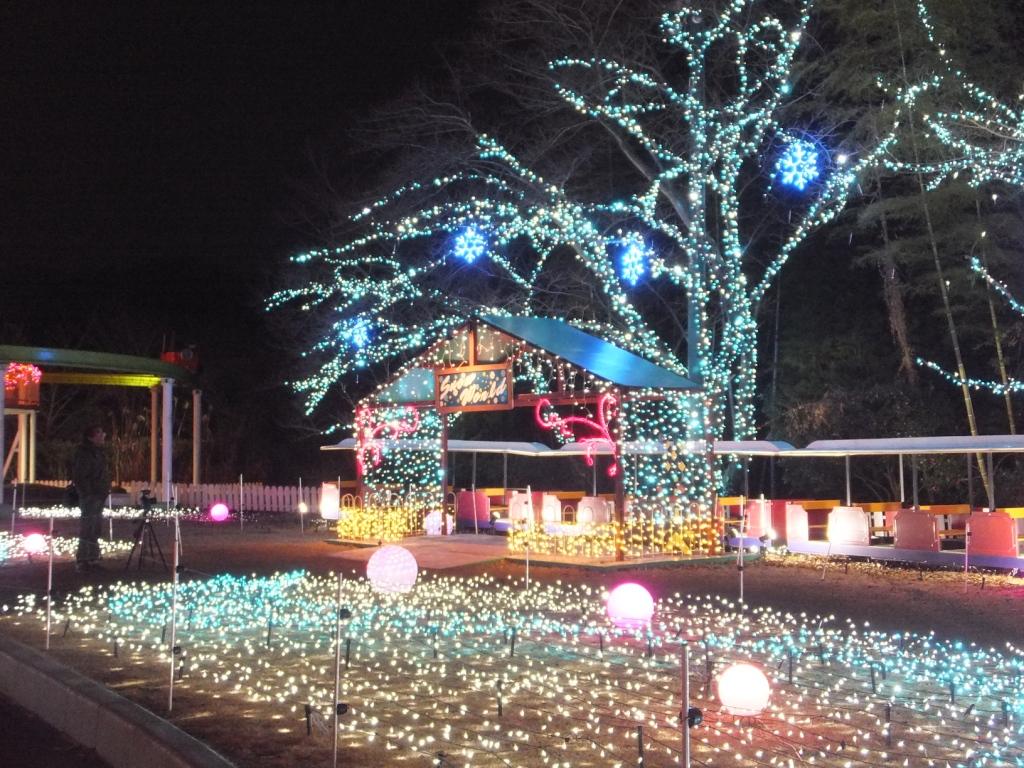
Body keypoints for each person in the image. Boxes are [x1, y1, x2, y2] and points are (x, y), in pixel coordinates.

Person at [71, 425, 110, 572]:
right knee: (88, 528)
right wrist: (88, 493)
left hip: (98, 494)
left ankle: (92, 559)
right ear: (91, 437)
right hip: (91, 496)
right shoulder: (85, 453)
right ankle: (83, 560)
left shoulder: (98, 452)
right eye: (99, 433)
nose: (103, 436)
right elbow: (80, 476)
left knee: (95, 528)